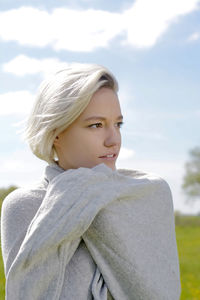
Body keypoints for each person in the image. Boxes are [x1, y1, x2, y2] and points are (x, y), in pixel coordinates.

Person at [1, 63, 181, 300]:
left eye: (118, 124)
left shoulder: (148, 195)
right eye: (96, 125)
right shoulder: (26, 206)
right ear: (56, 131)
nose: (113, 140)